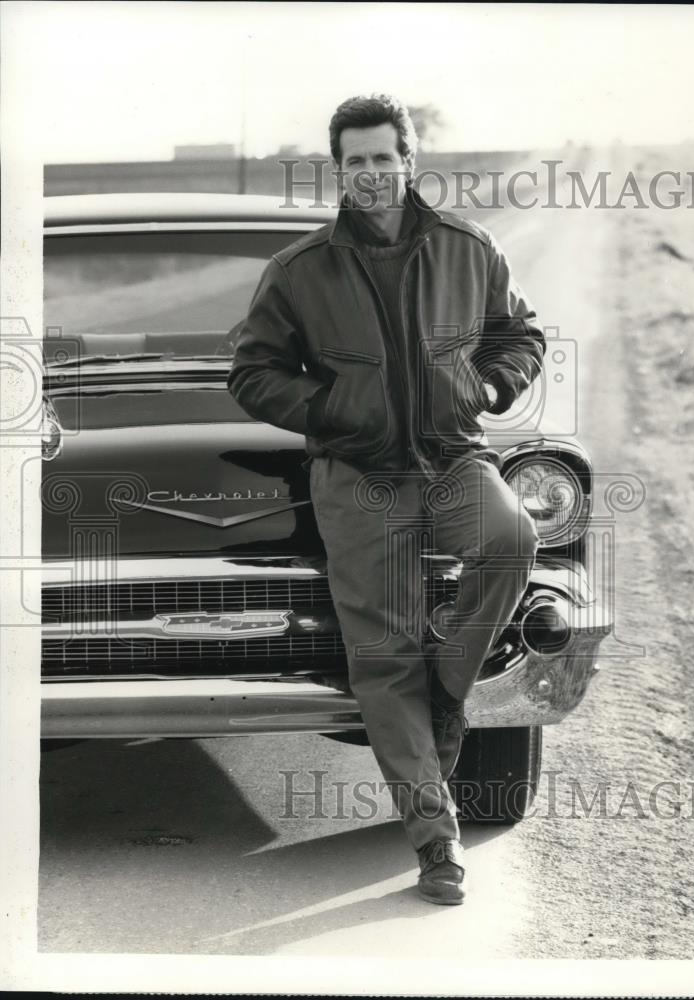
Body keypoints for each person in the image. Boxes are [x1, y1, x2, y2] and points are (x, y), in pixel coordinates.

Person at [228, 94, 545, 905]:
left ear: (410, 159)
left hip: (450, 457)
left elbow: (519, 334)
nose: (370, 173)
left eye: (382, 157)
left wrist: (491, 380)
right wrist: (331, 411)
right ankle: (436, 842)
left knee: (511, 542)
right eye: (355, 161)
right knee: (383, 654)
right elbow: (252, 374)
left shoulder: (467, 248)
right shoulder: (300, 270)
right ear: (339, 170)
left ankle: (447, 688)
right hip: (358, 476)